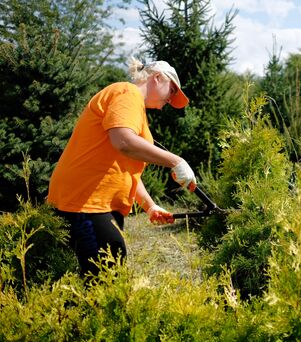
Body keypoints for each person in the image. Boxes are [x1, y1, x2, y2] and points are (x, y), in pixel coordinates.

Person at [47, 58, 196, 279]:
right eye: (172, 90)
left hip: (94, 204)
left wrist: (150, 206)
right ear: (157, 78)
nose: (171, 98)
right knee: (105, 282)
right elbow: (123, 142)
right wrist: (176, 161)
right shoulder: (127, 93)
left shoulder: (135, 108)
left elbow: (125, 166)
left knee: (102, 278)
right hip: (85, 203)